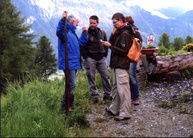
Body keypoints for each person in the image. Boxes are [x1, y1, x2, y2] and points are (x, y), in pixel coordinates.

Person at [102, 12, 133, 121]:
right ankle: (113, 109)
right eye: (113, 22)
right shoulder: (119, 32)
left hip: (122, 65)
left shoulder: (125, 34)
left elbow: (123, 51)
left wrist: (111, 46)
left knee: (123, 90)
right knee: (115, 88)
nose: (113, 24)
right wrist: (113, 32)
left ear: (120, 20)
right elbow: (111, 43)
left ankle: (125, 113)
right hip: (116, 64)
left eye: (115, 22)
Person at [56, 11, 88, 111]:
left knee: (71, 84)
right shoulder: (65, 31)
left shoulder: (72, 33)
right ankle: (65, 105)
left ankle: (70, 103)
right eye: (77, 22)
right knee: (71, 84)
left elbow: (80, 43)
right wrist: (63, 20)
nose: (78, 23)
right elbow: (58, 32)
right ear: (73, 21)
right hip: (68, 63)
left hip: (73, 63)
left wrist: (85, 33)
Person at [80, 15, 111, 103]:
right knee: (91, 77)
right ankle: (94, 96)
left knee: (106, 76)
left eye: (94, 23)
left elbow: (106, 43)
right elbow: (81, 45)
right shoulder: (86, 33)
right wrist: (86, 57)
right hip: (90, 58)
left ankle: (107, 95)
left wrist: (105, 54)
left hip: (101, 58)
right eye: (91, 23)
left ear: (97, 23)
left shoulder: (102, 32)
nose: (92, 25)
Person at [125, 16, 143, 105]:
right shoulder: (125, 32)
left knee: (132, 76)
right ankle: (129, 96)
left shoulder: (135, 33)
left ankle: (135, 97)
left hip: (132, 58)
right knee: (127, 77)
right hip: (125, 58)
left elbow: (139, 44)